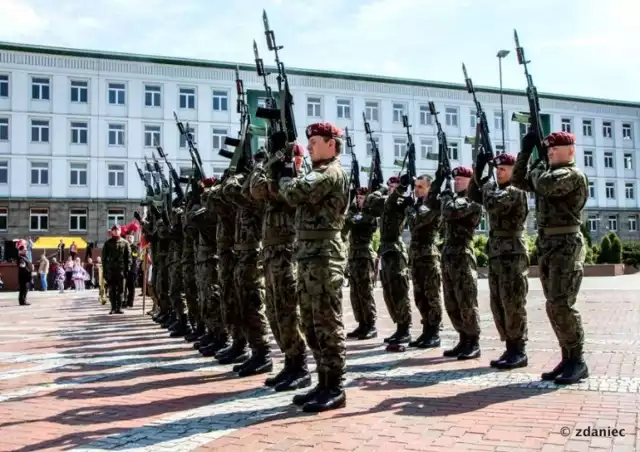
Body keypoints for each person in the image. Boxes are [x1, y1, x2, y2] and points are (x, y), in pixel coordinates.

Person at [279, 122, 349, 413]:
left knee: (327, 322)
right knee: (310, 321)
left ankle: (335, 386)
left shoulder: (331, 173)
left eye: (315, 142)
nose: (309, 147)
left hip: (324, 258)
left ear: (331, 143)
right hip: (309, 255)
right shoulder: (316, 172)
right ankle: (322, 382)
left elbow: (293, 194)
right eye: (309, 143)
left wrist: (284, 174)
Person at [511, 130, 588, 385]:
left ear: (571, 150)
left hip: (566, 244)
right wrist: (525, 152)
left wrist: (538, 163)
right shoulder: (546, 171)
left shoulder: (572, 174)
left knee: (562, 303)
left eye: (556, 148)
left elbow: (545, 185)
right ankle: (567, 358)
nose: (551, 151)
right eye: (548, 148)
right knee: (553, 304)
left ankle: (578, 361)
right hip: (548, 245)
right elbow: (518, 180)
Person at [250, 144, 311, 391]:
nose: (291, 161)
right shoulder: (277, 174)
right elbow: (255, 189)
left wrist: (279, 166)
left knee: (288, 311)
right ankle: (289, 362)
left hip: (288, 252)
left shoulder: (299, 179)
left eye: (293, 157)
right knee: (275, 312)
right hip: (271, 253)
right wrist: (268, 163)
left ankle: (301, 366)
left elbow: (277, 192)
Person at [468, 152, 529, 369]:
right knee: (499, 303)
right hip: (497, 253)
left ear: (514, 170)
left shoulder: (516, 190)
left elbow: (491, 202)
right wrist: (479, 171)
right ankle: (510, 347)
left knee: (513, 302)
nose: (498, 172)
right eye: (497, 168)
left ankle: (519, 349)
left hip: (512, 253)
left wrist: (485, 181)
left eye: (503, 168)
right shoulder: (497, 190)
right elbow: (474, 194)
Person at [426, 166, 483, 360]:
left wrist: (447, 196)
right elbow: (430, 203)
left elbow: (450, 212)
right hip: (449, 254)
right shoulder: (450, 199)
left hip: (463, 254)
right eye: (455, 178)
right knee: (452, 301)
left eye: (462, 178)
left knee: (466, 300)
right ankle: (463, 338)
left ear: (470, 180)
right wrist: (437, 182)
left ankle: (473, 341)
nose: (458, 181)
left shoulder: (472, 200)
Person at [364, 176, 412, 345]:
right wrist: (381, 189)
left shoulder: (399, 202)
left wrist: (398, 190)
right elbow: (369, 202)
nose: (392, 188)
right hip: (385, 250)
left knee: (399, 291)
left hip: (396, 250)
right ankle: (399, 325)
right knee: (389, 292)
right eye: (390, 186)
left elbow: (392, 201)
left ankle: (405, 328)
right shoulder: (385, 202)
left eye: (395, 186)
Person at [401, 174, 443, 349]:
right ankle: (426, 329)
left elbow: (418, 221)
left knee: (431, 295)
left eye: (420, 187)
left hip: (429, 256)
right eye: (416, 186)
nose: (416, 190)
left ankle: (434, 332)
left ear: (429, 188)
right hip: (416, 256)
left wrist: (411, 208)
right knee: (420, 296)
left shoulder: (433, 206)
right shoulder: (417, 205)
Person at [342, 186, 378, 340]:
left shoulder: (371, 215)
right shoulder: (354, 212)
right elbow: (346, 222)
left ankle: (371, 324)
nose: (358, 200)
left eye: (362, 197)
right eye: (357, 197)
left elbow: (363, 221)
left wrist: (357, 217)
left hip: (364, 255)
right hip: (353, 256)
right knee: (355, 293)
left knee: (365, 292)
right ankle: (361, 323)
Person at [101, 224, 132, 314]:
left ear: (120, 231)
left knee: (121, 290)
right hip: (111, 270)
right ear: (112, 232)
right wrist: (105, 271)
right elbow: (104, 258)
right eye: (114, 230)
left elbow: (128, 257)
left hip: (121, 270)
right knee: (112, 290)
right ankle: (113, 307)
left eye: (117, 229)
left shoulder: (125, 243)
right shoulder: (107, 243)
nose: (116, 231)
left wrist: (128, 269)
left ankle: (119, 307)